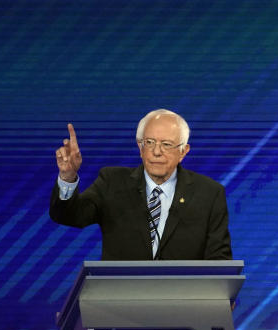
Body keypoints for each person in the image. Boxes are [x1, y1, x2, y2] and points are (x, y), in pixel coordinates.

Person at [50, 109, 232, 260]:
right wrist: (67, 176)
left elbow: (219, 259)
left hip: (183, 299)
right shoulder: (112, 182)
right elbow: (70, 216)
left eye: (167, 144)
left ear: (183, 151)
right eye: (150, 142)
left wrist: (222, 296)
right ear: (140, 148)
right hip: (122, 297)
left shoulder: (208, 193)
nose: (156, 152)